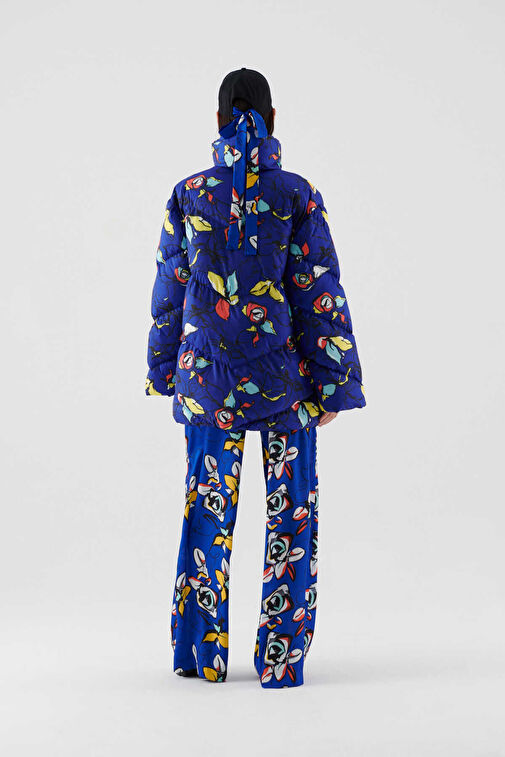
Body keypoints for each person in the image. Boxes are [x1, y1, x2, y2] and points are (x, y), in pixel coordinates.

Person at [145, 67, 366, 688]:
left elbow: (169, 290)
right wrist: (333, 384)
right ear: (274, 120)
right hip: (286, 388)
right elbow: (318, 292)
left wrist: (163, 370)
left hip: (207, 386)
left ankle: (202, 657)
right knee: (292, 517)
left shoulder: (188, 193)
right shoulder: (298, 194)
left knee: (206, 514)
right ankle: (281, 661)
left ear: (217, 121)